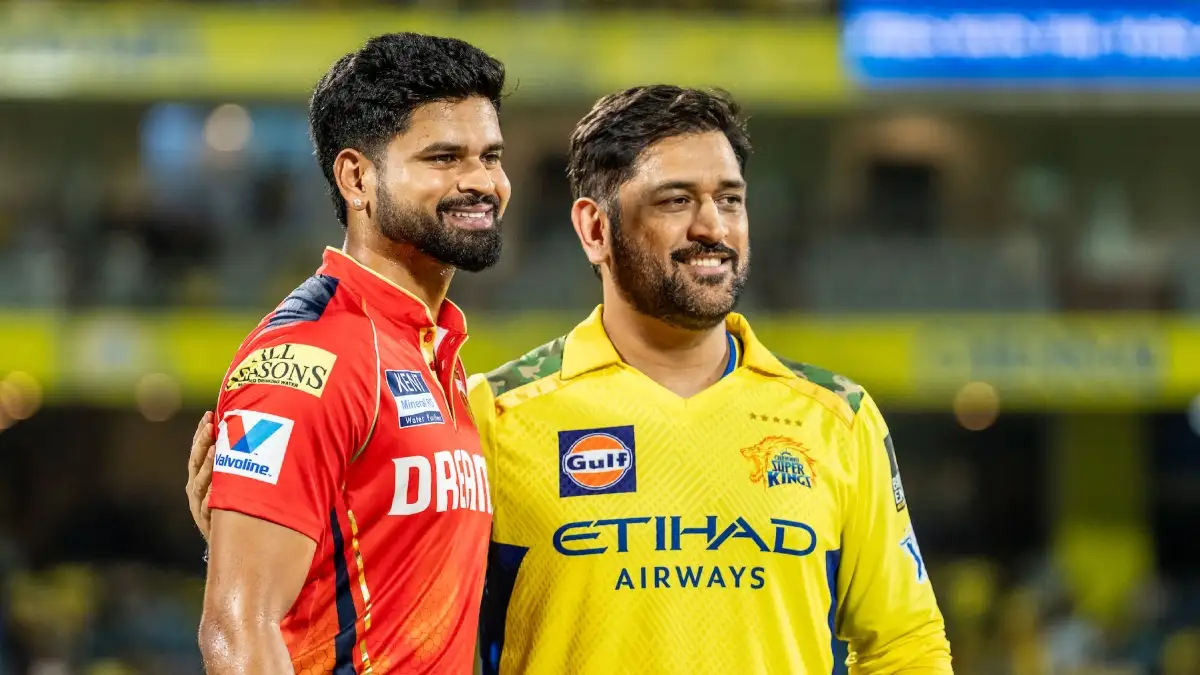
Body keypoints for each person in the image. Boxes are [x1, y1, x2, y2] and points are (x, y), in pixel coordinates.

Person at [189, 84, 953, 674]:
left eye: (730, 199)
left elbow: (906, 644)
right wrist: (255, 529)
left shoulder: (838, 419)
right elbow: (385, 603)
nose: (713, 228)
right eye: (676, 201)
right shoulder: (491, 415)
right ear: (594, 228)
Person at [192, 33, 508, 675]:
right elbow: (235, 631)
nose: (481, 182)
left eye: (490, 156)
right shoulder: (311, 354)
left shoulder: (430, 349)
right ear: (358, 177)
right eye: (444, 158)